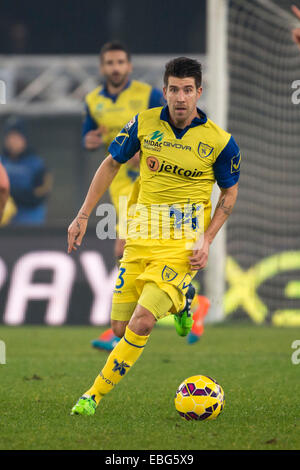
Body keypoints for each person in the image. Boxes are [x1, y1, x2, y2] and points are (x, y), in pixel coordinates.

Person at [68, 56, 240, 416]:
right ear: (164, 92)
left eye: (188, 90)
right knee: (118, 327)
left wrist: (206, 239)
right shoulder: (144, 125)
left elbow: (229, 193)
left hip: (181, 247)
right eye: (174, 89)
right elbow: (111, 162)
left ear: (198, 93)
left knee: (141, 322)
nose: (180, 97)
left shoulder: (220, 142)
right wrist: (84, 215)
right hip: (140, 239)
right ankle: (185, 301)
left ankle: (92, 396)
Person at [83, 41, 208, 350]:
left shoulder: (149, 94)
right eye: (110, 63)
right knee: (124, 251)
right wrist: (90, 139)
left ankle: (128, 325)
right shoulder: (92, 100)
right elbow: (91, 136)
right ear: (103, 68)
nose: (115, 67)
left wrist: (149, 149)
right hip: (119, 185)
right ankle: (185, 300)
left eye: (120, 62)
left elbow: (166, 125)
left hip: (148, 184)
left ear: (129, 66)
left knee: (124, 248)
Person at [0, 117, 52, 225]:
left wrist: (11, 195)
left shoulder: (37, 164)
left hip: (29, 228)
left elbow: (40, 194)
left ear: (25, 139)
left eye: (17, 137)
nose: (13, 141)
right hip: (5, 228)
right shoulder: (2, 162)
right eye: (10, 137)